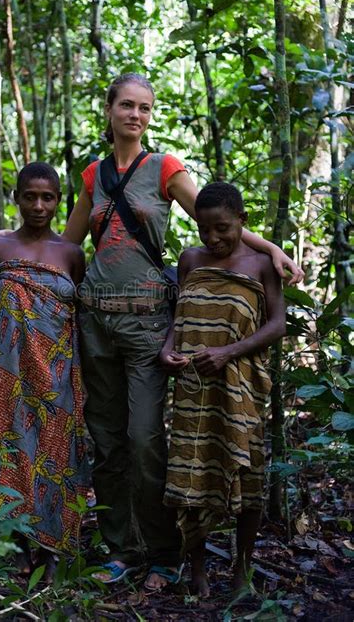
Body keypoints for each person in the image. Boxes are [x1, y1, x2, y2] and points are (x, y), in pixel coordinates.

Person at [0, 73, 302, 591]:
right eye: (126, 105)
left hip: (150, 320)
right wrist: (7, 236)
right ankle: (120, 550)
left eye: (145, 108)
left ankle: (162, 552)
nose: (135, 115)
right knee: (106, 442)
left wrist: (271, 249)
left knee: (146, 438)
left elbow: (215, 218)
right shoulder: (93, 175)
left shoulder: (165, 168)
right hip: (94, 321)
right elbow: (63, 243)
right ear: (108, 110)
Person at [161, 182, 286, 597]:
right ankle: (197, 573)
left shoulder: (261, 264)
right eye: (204, 229)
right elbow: (178, 319)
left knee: (247, 475)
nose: (213, 239)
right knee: (192, 473)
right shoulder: (189, 260)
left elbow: (276, 325)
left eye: (223, 229)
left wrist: (228, 352)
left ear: (243, 222)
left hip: (241, 390)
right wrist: (167, 353)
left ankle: (241, 573)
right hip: (194, 390)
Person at [0, 162, 89, 578]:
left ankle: (52, 546)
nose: (38, 205)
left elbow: (78, 319)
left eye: (48, 197)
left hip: (59, 374)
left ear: (60, 202)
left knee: (55, 456)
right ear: (17, 199)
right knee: (15, 449)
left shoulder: (72, 254)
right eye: (30, 196)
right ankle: (17, 541)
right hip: (10, 372)